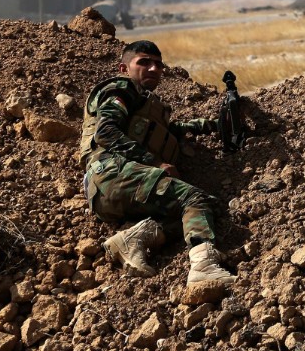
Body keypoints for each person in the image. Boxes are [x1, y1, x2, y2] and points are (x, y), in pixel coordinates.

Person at [79, 40, 236, 285]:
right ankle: (203, 268)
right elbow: (106, 131)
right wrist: (154, 162)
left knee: (204, 211)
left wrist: (214, 125)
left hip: (111, 191)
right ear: (124, 68)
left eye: (158, 65)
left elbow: (169, 131)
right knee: (193, 199)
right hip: (112, 173)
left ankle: (134, 239)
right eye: (144, 62)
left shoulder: (146, 105)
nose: (154, 69)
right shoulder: (122, 89)